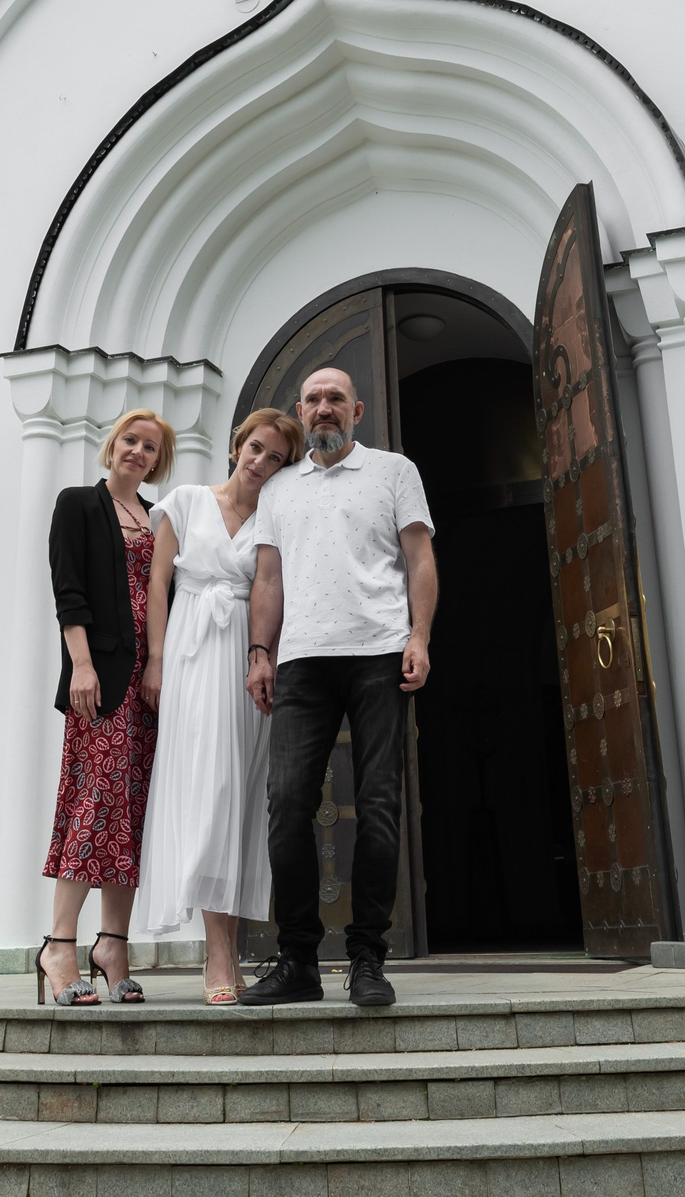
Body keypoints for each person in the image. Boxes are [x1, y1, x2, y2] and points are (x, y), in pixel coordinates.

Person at [239, 367, 437, 1008]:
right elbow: (267, 578)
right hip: (300, 659)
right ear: (302, 410)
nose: (324, 408)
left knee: (379, 803)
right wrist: (261, 651)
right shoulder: (280, 488)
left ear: (356, 409)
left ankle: (367, 959)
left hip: (378, 651)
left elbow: (420, 560)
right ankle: (297, 958)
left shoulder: (393, 471)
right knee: (287, 804)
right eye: (314, 400)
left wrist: (419, 638)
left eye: (335, 400)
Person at [132, 408, 306, 1004]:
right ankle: (219, 950)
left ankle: (228, 939)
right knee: (205, 791)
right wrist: (155, 660)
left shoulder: (276, 516)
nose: (260, 463)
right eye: (256, 449)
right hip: (188, 652)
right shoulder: (183, 501)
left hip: (247, 661)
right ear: (238, 445)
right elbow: (158, 584)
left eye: (276, 457)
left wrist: (269, 658)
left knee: (237, 795)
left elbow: (275, 590)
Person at [38, 408, 172, 1006]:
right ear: (111, 444)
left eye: (150, 447)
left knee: (134, 814)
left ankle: (113, 944)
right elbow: (68, 590)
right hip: (102, 680)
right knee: (92, 806)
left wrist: (162, 665)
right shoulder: (77, 504)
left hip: (150, 685)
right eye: (130, 440)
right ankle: (58, 945)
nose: (138, 452)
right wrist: (82, 665)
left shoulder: (158, 518)